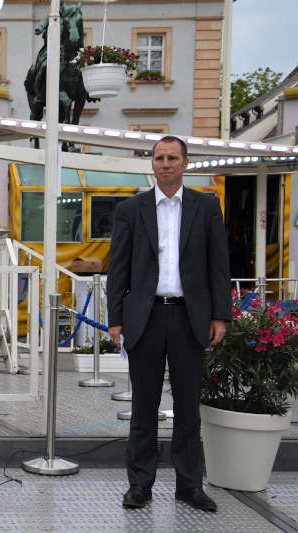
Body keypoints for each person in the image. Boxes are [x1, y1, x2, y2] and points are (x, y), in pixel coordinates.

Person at [106, 135, 231, 512]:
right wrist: (115, 320)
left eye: (172, 158)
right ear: (152, 164)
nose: (165, 164)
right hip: (145, 317)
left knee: (188, 408)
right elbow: (119, 269)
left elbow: (218, 266)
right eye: (159, 158)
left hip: (189, 317)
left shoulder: (207, 206)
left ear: (185, 163)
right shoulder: (132, 209)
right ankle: (140, 485)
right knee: (143, 407)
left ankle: (190, 485)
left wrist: (220, 314)